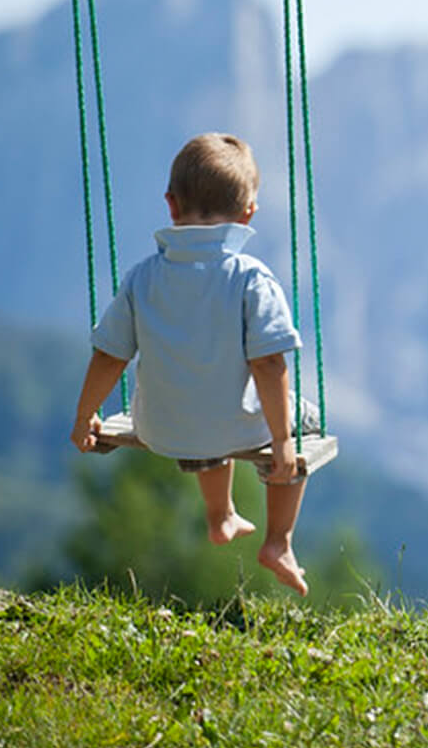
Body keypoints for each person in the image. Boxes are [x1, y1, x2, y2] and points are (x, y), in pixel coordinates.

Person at [69, 132, 314, 595]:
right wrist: (281, 442)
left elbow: (108, 354)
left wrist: (85, 417)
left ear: (171, 205)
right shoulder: (250, 279)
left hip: (161, 430)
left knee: (198, 389)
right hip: (238, 426)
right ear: (248, 214)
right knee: (303, 418)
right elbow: (268, 364)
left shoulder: (142, 278)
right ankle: (278, 541)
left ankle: (219, 513)